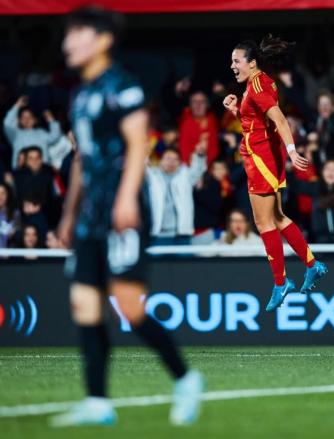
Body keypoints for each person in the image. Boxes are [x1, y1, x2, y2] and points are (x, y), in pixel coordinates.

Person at [51, 6, 202, 428]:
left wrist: (127, 199)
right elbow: (82, 157)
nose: (68, 43)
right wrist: (68, 213)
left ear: (101, 40)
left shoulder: (124, 85)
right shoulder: (79, 94)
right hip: (90, 214)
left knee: (130, 307)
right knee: (84, 303)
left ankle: (186, 378)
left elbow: (138, 144)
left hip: (123, 209)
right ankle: (98, 402)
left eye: (76, 34)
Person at [223, 35, 328, 312]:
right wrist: (236, 110)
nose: (232, 65)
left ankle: (281, 283)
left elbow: (279, 118)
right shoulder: (260, 82)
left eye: (236, 61)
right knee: (278, 217)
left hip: (261, 159)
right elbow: (256, 123)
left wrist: (292, 151)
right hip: (265, 157)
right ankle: (311, 264)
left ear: (252, 62)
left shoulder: (256, 87)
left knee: (264, 223)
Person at [145, 147, 207, 245]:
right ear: (160, 161)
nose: (171, 162)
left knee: (184, 261)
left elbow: (198, 169)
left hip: (182, 234)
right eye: (168, 158)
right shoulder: (152, 176)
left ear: (179, 162)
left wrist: (199, 156)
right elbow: (139, 169)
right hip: (157, 235)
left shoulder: (186, 175)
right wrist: (143, 154)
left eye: (175, 159)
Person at [4, 95, 62, 168]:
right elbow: (7, 124)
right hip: (22, 171)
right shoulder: (15, 134)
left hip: (41, 170)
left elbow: (55, 137)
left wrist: (51, 120)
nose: (27, 120)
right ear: (19, 121)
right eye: (23, 117)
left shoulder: (41, 133)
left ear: (35, 120)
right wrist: (17, 105)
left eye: (29, 117)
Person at [0, 183, 21, 248]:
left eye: (2, 193)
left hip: (11, 254)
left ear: (8, 195)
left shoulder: (16, 213)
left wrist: (15, 233)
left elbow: (20, 233)